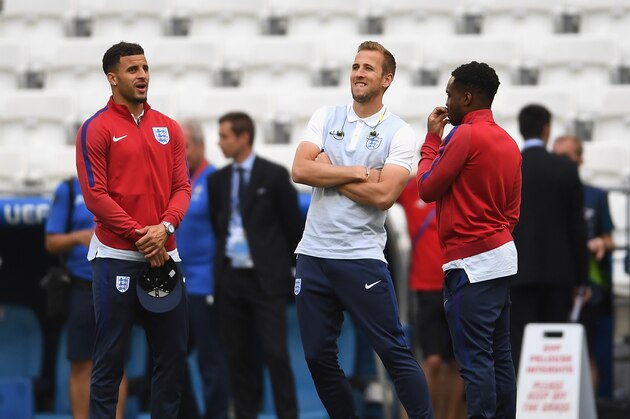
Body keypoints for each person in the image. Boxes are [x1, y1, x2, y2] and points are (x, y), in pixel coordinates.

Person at [292, 40, 433, 419]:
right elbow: (300, 170)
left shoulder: (400, 132)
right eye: (355, 66)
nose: (358, 73)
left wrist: (328, 171)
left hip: (361, 258)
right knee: (317, 357)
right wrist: (355, 172)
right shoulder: (326, 116)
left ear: (387, 79)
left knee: (393, 351)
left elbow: (385, 194)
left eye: (368, 68)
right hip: (314, 255)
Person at [75, 41, 192, 418]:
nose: (142, 76)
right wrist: (145, 236)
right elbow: (96, 196)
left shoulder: (169, 128)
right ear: (112, 78)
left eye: (144, 68)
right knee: (110, 360)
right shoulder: (96, 128)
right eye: (132, 69)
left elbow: (182, 188)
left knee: (172, 359)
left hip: (166, 256)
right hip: (116, 259)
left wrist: (165, 227)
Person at [417, 61, 522, 419]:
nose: (447, 102)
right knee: (500, 355)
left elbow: (427, 187)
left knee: (475, 360)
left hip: (470, 264)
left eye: (450, 94)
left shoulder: (463, 136)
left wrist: (432, 140)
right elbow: (512, 214)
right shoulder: (509, 142)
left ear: (466, 96)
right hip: (501, 256)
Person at [208, 111, 302, 419]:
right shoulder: (217, 181)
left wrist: (283, 270)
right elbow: (217, 225)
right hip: (230, 279)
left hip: (266, 280)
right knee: (237, 357)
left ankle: (287, 415)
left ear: (243, 137)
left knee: (276, 354)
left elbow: (293, 228)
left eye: (224, 136)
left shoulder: (274, 175)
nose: (219, 143)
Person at [510, 105, 589, 374]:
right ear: (547, 129)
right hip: (559, 272)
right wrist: (582, 277)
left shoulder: (510, 166)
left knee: (520, 345)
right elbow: (576, 226)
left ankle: (522, 408)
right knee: (555, 346)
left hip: (517, 271)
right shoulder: (566, 168)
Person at [45, 177, 128, 419]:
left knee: (116, 364)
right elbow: (51, 241)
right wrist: (78, 237)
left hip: (117, 286)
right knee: (81, 363)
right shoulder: (70, 188)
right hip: (83, 288)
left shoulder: (124, 182)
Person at [552, 134, 615, 395]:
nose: (561, 163)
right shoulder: (545, 195)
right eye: (556, 157)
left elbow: (609, 238)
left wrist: (600, 243)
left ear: (579, 160)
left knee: (589, 353)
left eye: (566, 157)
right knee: (555, 355)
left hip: (590, 291)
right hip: (556, 286)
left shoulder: (595, 195)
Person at [397, 178, 465, 419]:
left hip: (461, 285)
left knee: (459, 363)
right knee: (433, 361)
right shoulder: (412, 187)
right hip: (426, 288)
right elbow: (382, 189)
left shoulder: (461, 184)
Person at [176, 119, 230, 419]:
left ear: (199, 145)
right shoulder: (175, 182)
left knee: (212, 362)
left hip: (205, 285)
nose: (180, 153)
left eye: (183, 146)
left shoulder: (214, 181)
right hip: (176, 286)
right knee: (172, 357)